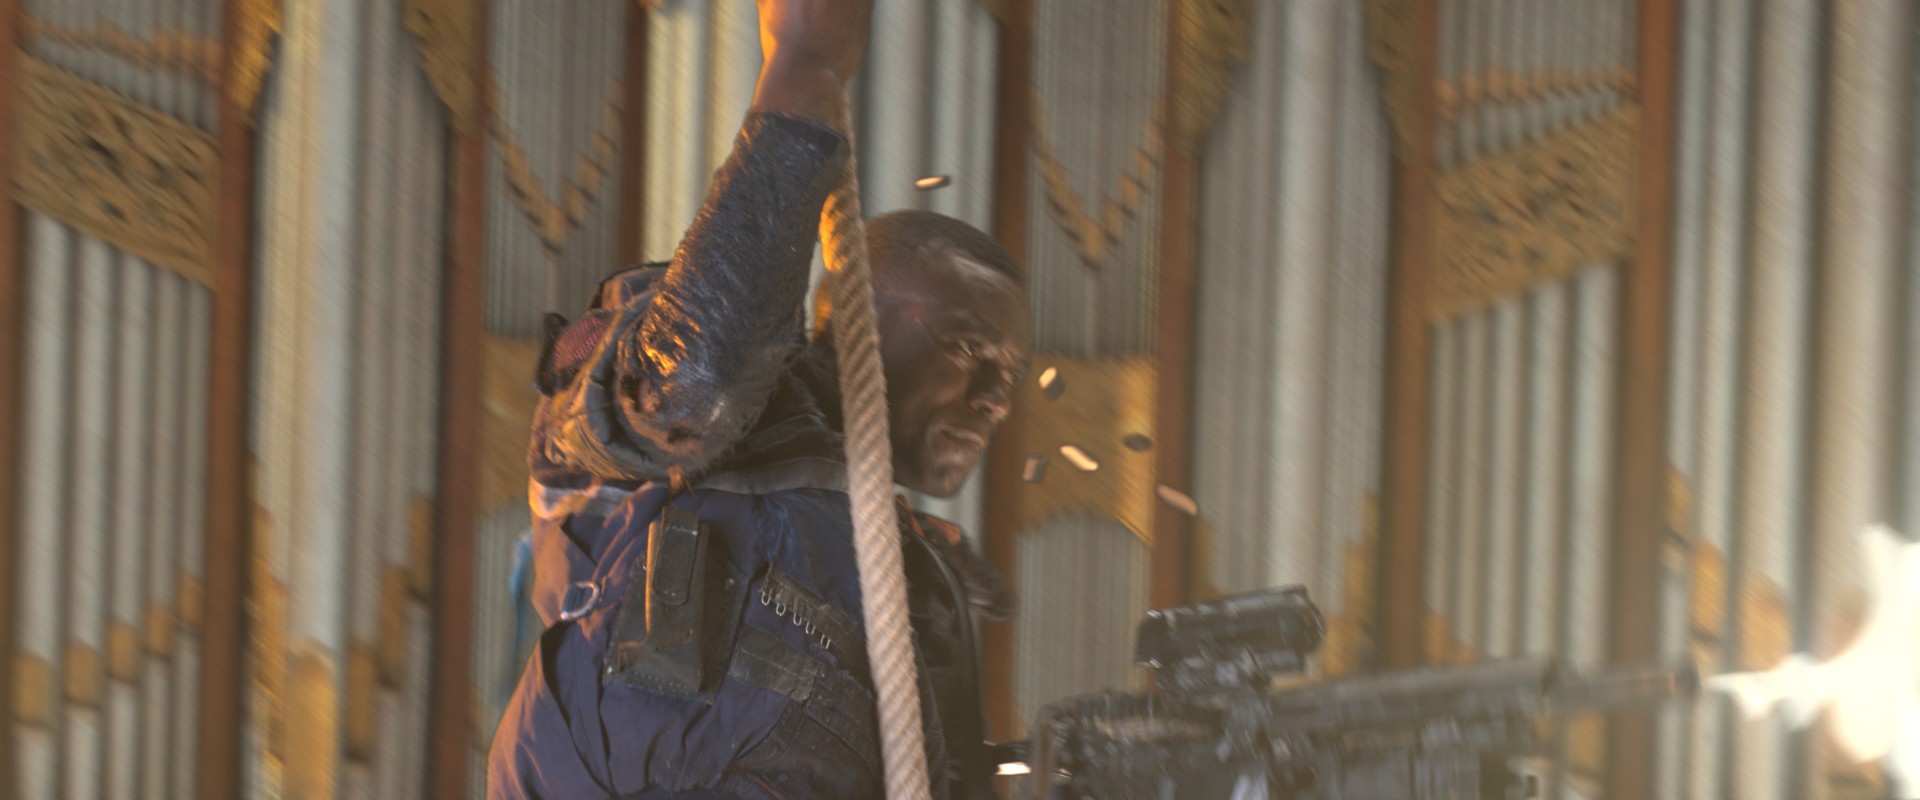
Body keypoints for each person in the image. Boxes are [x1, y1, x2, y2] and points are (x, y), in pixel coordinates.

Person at [486, 0, 1029, 797]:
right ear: (859, 317)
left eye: (1011, 375)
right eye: (970, 349)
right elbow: (698, 378)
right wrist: (804, 69)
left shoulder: (905, 575)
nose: (996, 399)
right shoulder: (651, 378)